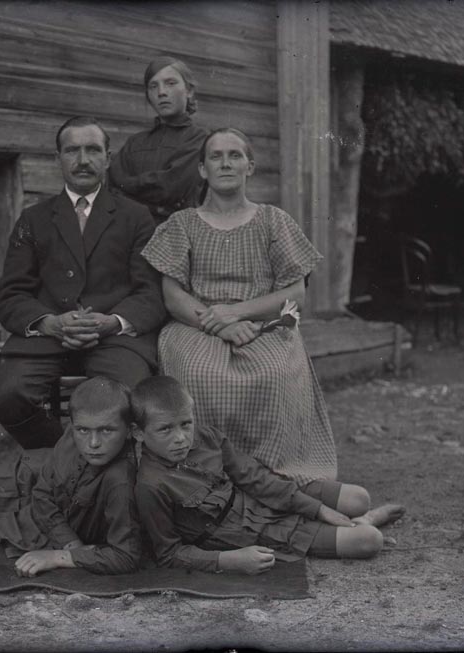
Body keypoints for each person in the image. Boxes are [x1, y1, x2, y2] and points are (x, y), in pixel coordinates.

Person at [141, 127, 336, 486]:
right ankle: (205, 473)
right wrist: (220, 324)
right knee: (199, 373)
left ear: (251, 167)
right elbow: (173, 297)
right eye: (216, 156)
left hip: (264, 325)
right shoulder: (182, 224)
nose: (225, 163)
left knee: (273, 374)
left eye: (235, 156)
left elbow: (295, 297)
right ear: (202, 169)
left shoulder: (273, 221)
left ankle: (274, 477)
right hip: (196, 325)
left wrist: (238, 312)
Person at [0, 116, 167, 449]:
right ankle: (62, 459)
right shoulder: (33, 219)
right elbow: (11, 294)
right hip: (46, 338)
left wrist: (112, 322)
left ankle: (103, 472)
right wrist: (50, 322)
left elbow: (150, 292)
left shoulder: (136, 217)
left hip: (114, 340)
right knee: (7, 396)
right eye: (72, 150)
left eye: (92, 150)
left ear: (108, 159)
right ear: (58, 159)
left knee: (133, 399)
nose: (82, 160)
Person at [132, 376, 404, 573]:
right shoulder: (150, 485)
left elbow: (253, 477)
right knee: (369, 541)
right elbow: (168, 553)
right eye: (165, 429)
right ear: (139, 433)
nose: (181, 438)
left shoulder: (206, 437)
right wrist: (228, 561)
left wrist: (317, 509)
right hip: (246, 531)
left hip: (258, 498)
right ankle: (363, 523)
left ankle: (357, 516)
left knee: (359, 497)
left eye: (185, 424)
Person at [0, 377, 141, 576]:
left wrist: (64, 553)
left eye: (106, 430)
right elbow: (42, 491)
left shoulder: (120, 482)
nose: (93, 443)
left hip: (43, 520)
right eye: (83, 430)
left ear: (130, 430)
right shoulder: (75, 432)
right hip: (34, 477)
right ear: (73, 425)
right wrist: (74, 546)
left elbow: (126, 556)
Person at [108, 57, 208, 224]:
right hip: (132, 235)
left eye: (170, 83)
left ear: (189, 90)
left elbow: (170, 188)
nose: (161, 92)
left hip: (176, 236)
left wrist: (130, 187)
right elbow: (113, 189)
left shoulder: (200, 139)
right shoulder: (135, 143)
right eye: (153, 86)